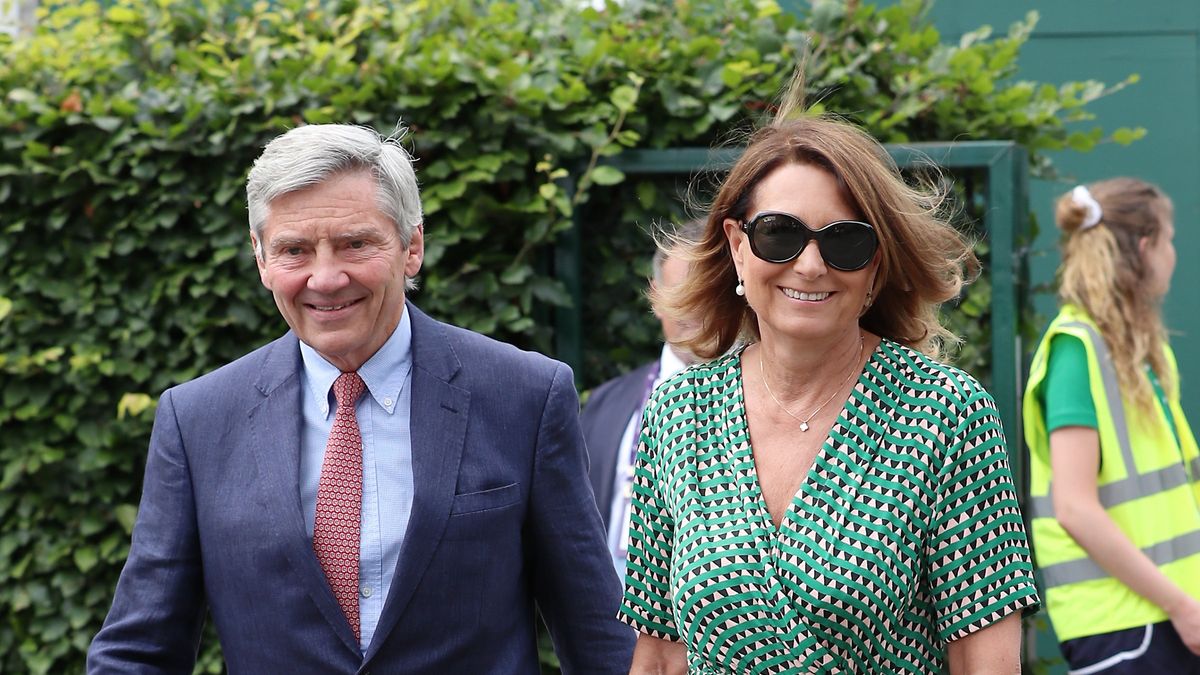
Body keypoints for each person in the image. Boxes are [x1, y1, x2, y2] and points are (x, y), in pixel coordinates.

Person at [87, 124, 634, 673]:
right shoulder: (197, 420)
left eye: (355, 243)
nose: (325, 278)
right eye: (294, 251)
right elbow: (139, 651)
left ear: (411, 245)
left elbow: (598, 636)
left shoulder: (525, 396)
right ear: (260, 258)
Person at [618, 75, 1040, 674]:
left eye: (845, 242)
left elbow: (987, 664)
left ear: (876, 266)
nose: (810, 265)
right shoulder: (677, 414)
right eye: (780, 234)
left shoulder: (946, 414)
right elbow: (660, 658)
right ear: (738, 246)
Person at [1023, 178, 1200, 672]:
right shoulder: (1077, 353)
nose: (1173, 256)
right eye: (1170, 241)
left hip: (1161, 618)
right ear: (1145, 248)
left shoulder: (1140, 354)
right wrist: (1182, 606)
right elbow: (1075, 509)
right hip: (1125, 629)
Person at [582, 219, 702, 579]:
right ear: (656, 295)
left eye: (709, 292)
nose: (696, 309)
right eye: (682, 294)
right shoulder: (606, 404)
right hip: (611, 628)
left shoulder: (775, 407)